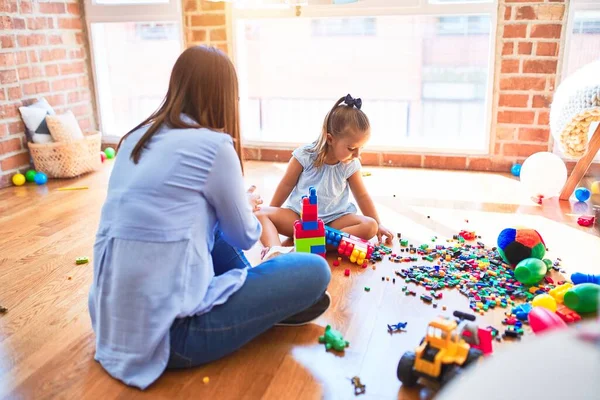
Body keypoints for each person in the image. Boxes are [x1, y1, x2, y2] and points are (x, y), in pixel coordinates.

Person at [88, 45, 331, 390]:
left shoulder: (133, 139)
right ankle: (266, 302)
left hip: (111, 325)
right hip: (173, 338)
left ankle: (264, 298)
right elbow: (246, 236)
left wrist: (226, 206)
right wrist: (244, 205)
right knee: (315, 271)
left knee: (215, 233)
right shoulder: (215, 145)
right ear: (224, 96)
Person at [256, 94, 394, 259]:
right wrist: (275, 212)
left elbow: (362, 196)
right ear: (330, 139)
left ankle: (306, 247)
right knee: (260, 214)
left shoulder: (350, 164)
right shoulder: (304, 155)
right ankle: (275, 252)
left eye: (360, 148)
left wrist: (378, 224)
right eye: (351, 148)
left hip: (335, 221)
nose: (357, 154)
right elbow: (286, 185)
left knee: (369, 226)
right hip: (300, 219)